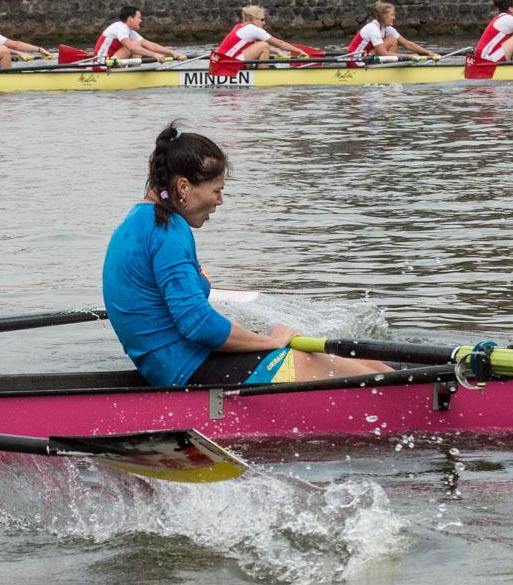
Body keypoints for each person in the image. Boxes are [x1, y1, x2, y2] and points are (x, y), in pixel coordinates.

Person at [102, 127, 388, 390]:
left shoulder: (135, 222)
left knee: (371, 366)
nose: (220, 201)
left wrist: (253, 339)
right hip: (191, 370)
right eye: (217, 190)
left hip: (173, 365)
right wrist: (271, 342)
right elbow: (198, 325)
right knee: (378, 380)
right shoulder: (168, 230)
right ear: (184, 187)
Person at [210, 5, 314, 71]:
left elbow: (254, 48)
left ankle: (261, 70)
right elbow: (279, 43)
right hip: (228, 65)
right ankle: (263, 74)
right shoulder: (253, 29)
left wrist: (277, 52)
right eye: (262, 19)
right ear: (254, 19)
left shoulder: (240, 27)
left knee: (262, 46)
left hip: (222, 63)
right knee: (264, 45)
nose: (264, 22)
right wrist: (299, 50)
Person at [348, 0, 441, 60]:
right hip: (357, 60)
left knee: (393, 40)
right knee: (392, 39)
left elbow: (407, 44)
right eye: (392, 15)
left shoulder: (387, 29)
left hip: (368, 57)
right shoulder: (373, 28)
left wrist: (429, 53)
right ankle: (388, 67)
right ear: (384, 16)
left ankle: (388, 66)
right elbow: (382, 53)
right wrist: (408, 56)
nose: (394, 17)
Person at [96, 5, 182, 64]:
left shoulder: (130, 31)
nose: (140, 20)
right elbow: (131, 47)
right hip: (103, 65)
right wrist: (155, 55)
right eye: (139, 18)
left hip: (113, 62)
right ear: (130, 18)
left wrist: (173, 53)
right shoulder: (119, 27)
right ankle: (133, 72)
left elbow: (151, 46)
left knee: (137, 43)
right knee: (135, 44)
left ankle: (134, 72)